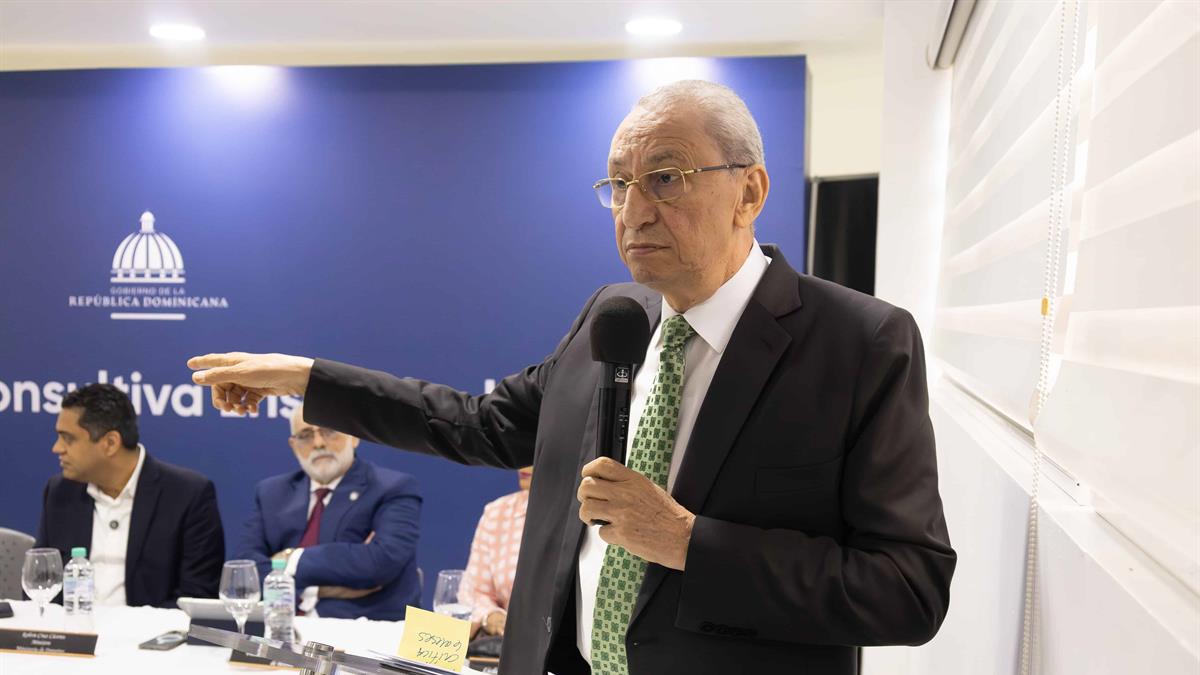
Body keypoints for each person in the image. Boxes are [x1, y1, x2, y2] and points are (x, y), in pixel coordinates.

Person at [188, 80, 955, 675]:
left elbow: (908, 588)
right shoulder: (612, 316)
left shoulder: (860, 343)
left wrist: (689, 541)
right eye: (618, 185)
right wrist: (309, 379)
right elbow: (477, 423)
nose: (633, 211)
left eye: (665, 178)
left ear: (749, 192)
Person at [35, 383, 224, 607]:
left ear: (110, 443)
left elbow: (196, 598)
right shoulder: (60, 491)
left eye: (68, 439)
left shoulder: (188, 495)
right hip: (73, 627)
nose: (57, 448)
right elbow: (41, 584)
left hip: (152, 629)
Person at [235, 403, 422, 620]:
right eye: (305, 435)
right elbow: (244, 570)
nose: (318, 443)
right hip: (281, 625)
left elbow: (380, 563)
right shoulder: (271, 492)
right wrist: (317, 589)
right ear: (294, 445)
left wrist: (290, 559)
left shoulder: (393, 488)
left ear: (354, 437)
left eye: (329, 431)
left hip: (364, 628)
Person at [460, 466, 533, 638]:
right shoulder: (497, 512)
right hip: (510, 642)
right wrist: (491, 615)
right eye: (523, 455)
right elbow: (475, 592)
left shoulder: (584, 512)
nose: (524, 465)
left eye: (537, 453)